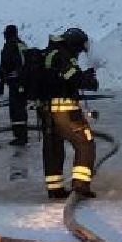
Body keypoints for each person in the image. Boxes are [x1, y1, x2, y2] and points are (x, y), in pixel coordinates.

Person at [40, 27, 99, 200]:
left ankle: (55, 188)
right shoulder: (64, 56)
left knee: (53, 148)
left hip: (46, 111)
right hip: (65, 111)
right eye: (79, 49)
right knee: (85, 143)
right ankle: (80, 186)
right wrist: (88, 78)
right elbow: (73, 78)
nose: (79, 53)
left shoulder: (48, 54)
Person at [0, 24, 32, 145]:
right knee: (21, 108)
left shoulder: (10, 46)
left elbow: (5, 65)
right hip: (24, 82)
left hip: (15, 83)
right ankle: (23, 134)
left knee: (16, 110)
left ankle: (20, 137)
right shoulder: (22, 44)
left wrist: (2, 81)